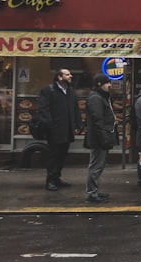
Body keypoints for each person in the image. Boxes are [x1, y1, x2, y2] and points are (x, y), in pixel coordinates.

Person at [38, 68, 83, 191]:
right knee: (54, 156)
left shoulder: (70, 91)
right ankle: (50, 181)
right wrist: (49, 124)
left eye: (70, 74)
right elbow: (44, 109)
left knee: (62, 155)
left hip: (67, 129)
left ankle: (57, 178)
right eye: (67, 74)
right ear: (59, 77)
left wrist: (78, 124)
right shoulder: (49, 90)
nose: (70, 76)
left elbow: (75, 108)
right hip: (55, 129)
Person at [84, 74, 117, 203]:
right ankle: (91, 193)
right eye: (107, 83)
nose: (109, 85)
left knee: (99, 165)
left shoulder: (102, 97)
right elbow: (97, 120)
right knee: (96, 165)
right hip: (98, 137)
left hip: (103, 135)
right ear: (100, 84)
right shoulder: (96, 98)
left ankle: (94, 191)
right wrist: (103, 137)